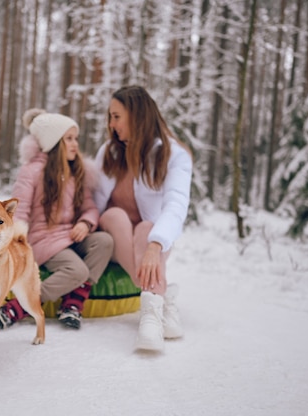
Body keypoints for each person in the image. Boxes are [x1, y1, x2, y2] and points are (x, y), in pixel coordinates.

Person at [94, 85, 193, 351]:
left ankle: (153, 311)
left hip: (152, 245)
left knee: (148, 228)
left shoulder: (173, 155)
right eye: (110, 117)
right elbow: (91, 201)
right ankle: (160, 302)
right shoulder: (109, 152)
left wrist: (156, 243)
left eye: (117, 116)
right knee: (115, 214)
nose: (111, 124)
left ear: (136, 115)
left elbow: (176, 204)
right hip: (114, 237)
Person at [0, 108, 114, 330]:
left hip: (69, 236)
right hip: (43, 239)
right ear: (54, 142)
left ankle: (72, 303)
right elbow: (19, 212)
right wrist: (17, 246)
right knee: (78, 270)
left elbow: (89, 207)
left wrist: (85, 223)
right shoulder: (31, 172)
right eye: (69, 139)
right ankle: (21, 305)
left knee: (104, 242)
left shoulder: (75, 172)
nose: (75, 144)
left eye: (75, 138)